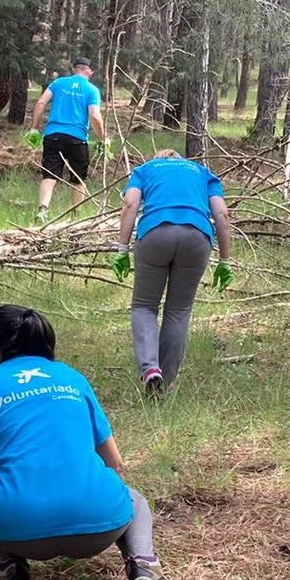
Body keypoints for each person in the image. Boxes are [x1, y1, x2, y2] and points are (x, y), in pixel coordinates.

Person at [0, 305, 191, 580]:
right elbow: (114, 464)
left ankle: (13, 578)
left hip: (19, 531)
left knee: (1, 492)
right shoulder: (72, 380)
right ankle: (144, 567)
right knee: (136, 500)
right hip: (98, 529)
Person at [113, 149, 235, 397]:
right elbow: (222, 213)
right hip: (197, 237)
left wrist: (122, 249)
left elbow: (130, 204)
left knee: (144, 306)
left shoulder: (146, 169)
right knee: (178, 310)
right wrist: (225, 259)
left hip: (155, 233)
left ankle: (150, 371)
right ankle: (165, 384)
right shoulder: (203, 173)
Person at [27, 57, 111, 222]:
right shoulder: (92, 90)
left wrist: (34, 129)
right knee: (78, 179)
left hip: (53, 135)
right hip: (77, 138)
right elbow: (94, 115)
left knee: (50, 175)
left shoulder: (58, 83)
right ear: (89, 72)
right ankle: (76, 216)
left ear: (74, 69)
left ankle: (43, 210)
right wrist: (104, 138)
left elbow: (40, 103)